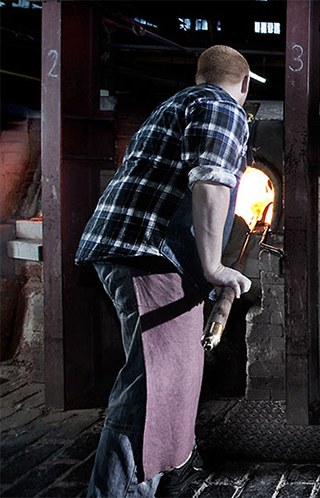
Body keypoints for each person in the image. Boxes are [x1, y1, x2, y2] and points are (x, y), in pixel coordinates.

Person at [76, 45, 253, 497]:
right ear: (245, 85)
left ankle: (173, 471)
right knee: (152, 387)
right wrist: (213, 266)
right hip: (147, 255)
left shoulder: (175, 105)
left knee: (174, 371)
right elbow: (212, 180)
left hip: (137, 252)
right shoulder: (222, 107)